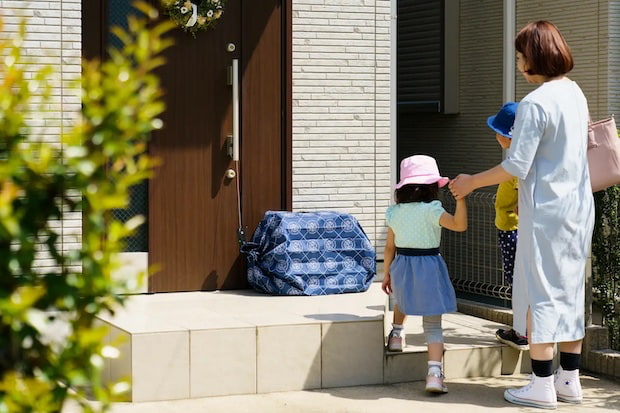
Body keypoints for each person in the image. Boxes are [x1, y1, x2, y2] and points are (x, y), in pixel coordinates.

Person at [449, 21, 593, 409]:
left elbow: (516, 166)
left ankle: (541, 385)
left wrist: (471, 182)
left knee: (540, 294)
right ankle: (569, 381)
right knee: (569, 292)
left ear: (535, 56)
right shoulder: (575, 93)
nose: (518, 63)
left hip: (545, 213)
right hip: (577, 211)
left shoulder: (536, 103)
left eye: (520, 55)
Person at [382, 154, 467, 394]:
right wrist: (460, 201)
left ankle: (396, 336)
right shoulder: (432, 209)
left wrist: (387, 273)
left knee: (402, 299)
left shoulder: (394, 212)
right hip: (428, 264)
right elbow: (459, 225)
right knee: (432, 324)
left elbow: (389, 247)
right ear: (432, 186)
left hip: (401, 262)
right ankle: (434, 374)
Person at [487, 102, 529, 351]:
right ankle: (522, 329)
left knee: (518, 281)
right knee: (518, 280)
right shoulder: (518, 157)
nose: (496, 135)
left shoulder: (518, 162)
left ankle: (521, 332)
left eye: (500, 131)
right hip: (511, 227)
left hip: (514, 230)